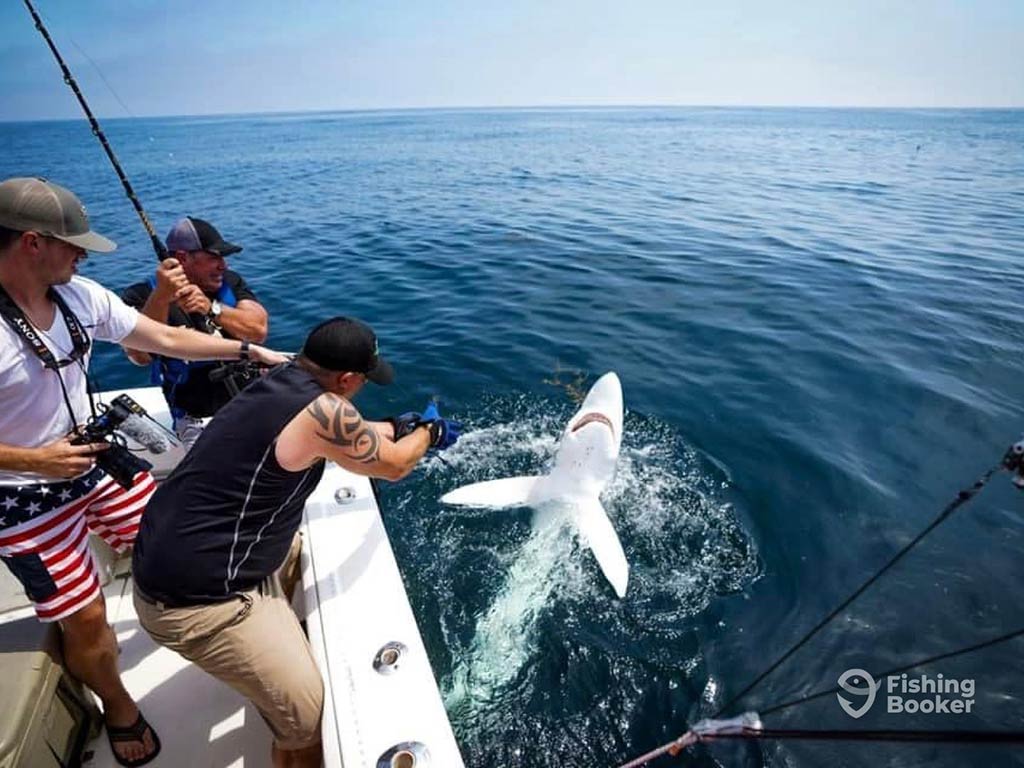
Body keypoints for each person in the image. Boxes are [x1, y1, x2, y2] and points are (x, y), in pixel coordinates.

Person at [0, 177, 288, 767]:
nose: (82, 254)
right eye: (72, 242)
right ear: (31, 243)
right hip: (23, 499)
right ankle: (118, 707)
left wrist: (249, 352)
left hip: (95, 462)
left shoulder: (78, 296)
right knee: (87, 620)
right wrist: (33, 459)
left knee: (189, 544)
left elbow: (158, 337)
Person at [131, 317, 461, 768]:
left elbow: (343, 427)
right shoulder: (327, 412)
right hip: (200, 602)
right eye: (364, 379)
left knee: (294, 547)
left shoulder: (279, 377)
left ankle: (276, 644)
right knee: (309, 720)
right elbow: (394, 466)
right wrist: (428, 432)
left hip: (170, 560)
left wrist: (391, 424)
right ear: (347, 379)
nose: (362, 387)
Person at [121, 216, 269, 449]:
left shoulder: (229, 283)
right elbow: (140, 356)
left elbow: (258, 330)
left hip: (253, 401)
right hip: (197, 420)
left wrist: (213, 309)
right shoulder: (140, 296)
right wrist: (161, 296)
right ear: (182, 258)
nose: (223, 265)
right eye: (213, 257)